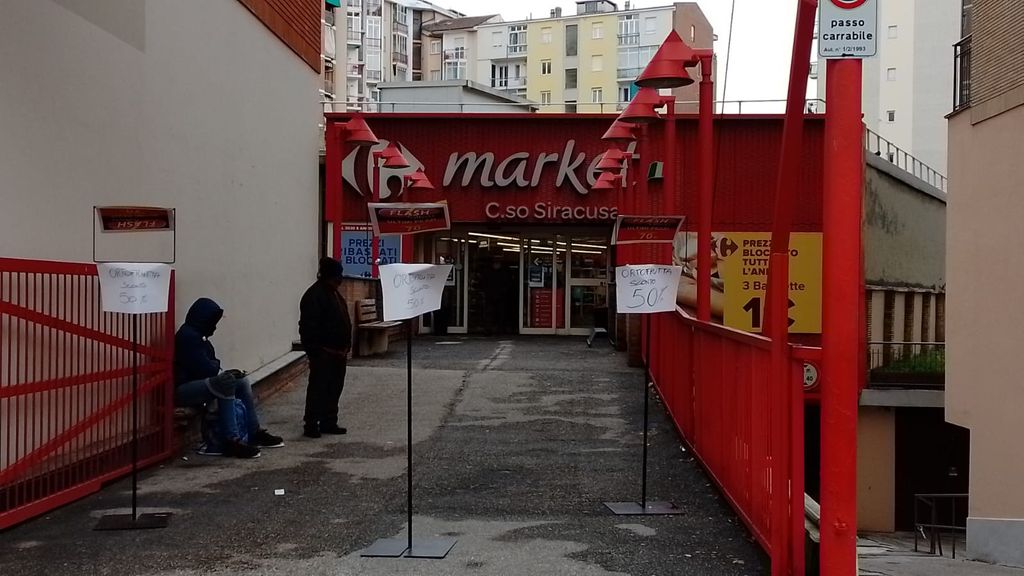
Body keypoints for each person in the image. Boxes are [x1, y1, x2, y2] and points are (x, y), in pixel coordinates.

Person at [174, 297, 284, 458]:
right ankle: (231, 439)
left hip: (196, 384)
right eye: (212, 322)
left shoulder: (199, 336)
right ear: (203, 320)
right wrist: (215, 365)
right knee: (225, 382)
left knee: (241, 381)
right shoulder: (188, 337)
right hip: (184, 390)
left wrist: (215, 365)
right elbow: (207, 369)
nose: (214, 327)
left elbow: (210, 364)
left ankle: (254, 431)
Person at [299, 257, 352, 438]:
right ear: (330, 275)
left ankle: (329, 421)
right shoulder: (314, 296)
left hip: (338, 352)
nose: (341, 279)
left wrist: (346, 346)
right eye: (338, 275)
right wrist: (317, 351)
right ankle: (311, 424)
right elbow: (308, 327)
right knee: (318, 388)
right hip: (324, 352)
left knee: (334, 388)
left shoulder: (334, 294)